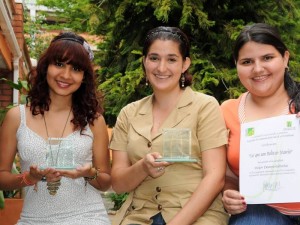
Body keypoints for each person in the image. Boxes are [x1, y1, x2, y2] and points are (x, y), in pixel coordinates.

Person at [109, 26, 229, 225]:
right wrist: (142, 167)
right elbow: (119, 184)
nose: (161, 68)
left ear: (185, 64)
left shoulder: (205, 106)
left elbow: (215, 177)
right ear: (144, 62)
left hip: (198, 215)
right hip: (141, 215)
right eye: (154, 58)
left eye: (171, 59)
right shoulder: (128, 114)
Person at [0, 32, 111, 224]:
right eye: (59, 64)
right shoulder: (16, 117)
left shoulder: (94, 120)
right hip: (33, 219)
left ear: (84, 76)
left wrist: (88, 173)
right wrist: (29, 178)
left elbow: (105, 181)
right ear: (45, 67)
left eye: (76, 68)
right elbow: (2, 177)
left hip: (87, 217)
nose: (65, 75)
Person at [221, 23, 300, 225]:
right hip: (262, 211)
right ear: (236, 65)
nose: (258, 69)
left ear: (285, 58)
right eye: (247, 61)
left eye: (267, 58)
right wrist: (229, 192)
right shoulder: (227, 111)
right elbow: (229, 174)